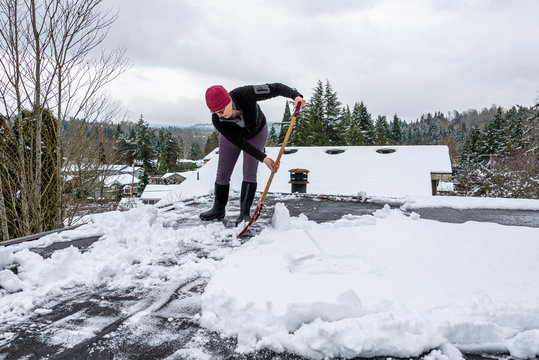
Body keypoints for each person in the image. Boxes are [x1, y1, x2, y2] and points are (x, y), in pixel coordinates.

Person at [201, 83, 305, 226]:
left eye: (222, 110)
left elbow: (275, 88)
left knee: (249, 171)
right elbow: (240, 143)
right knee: (223, 172)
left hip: (257, 132)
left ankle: (244, 213)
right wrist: (262, 157)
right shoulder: (218, 120)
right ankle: (218, 209)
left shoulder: (246, 93)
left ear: (228, 100)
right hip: (234, 138)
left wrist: (295, 95)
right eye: (216, 112)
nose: (221, 115)